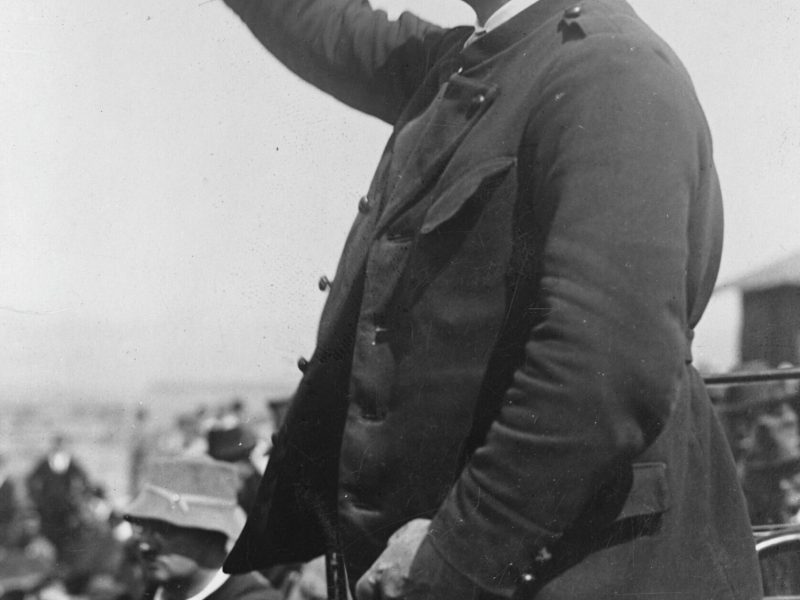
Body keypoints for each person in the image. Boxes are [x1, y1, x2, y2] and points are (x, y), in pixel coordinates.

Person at [219, 0, 761, 597]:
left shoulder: (612, 69)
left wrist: (451, 558)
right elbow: (324, 27)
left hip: (586, 571)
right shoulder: (487, 56)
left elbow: (604, 368)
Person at [123, 456, 281, 600]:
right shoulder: (145, 592)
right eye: (143, 528)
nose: (145, 546)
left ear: (211, 535)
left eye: (163, 531)